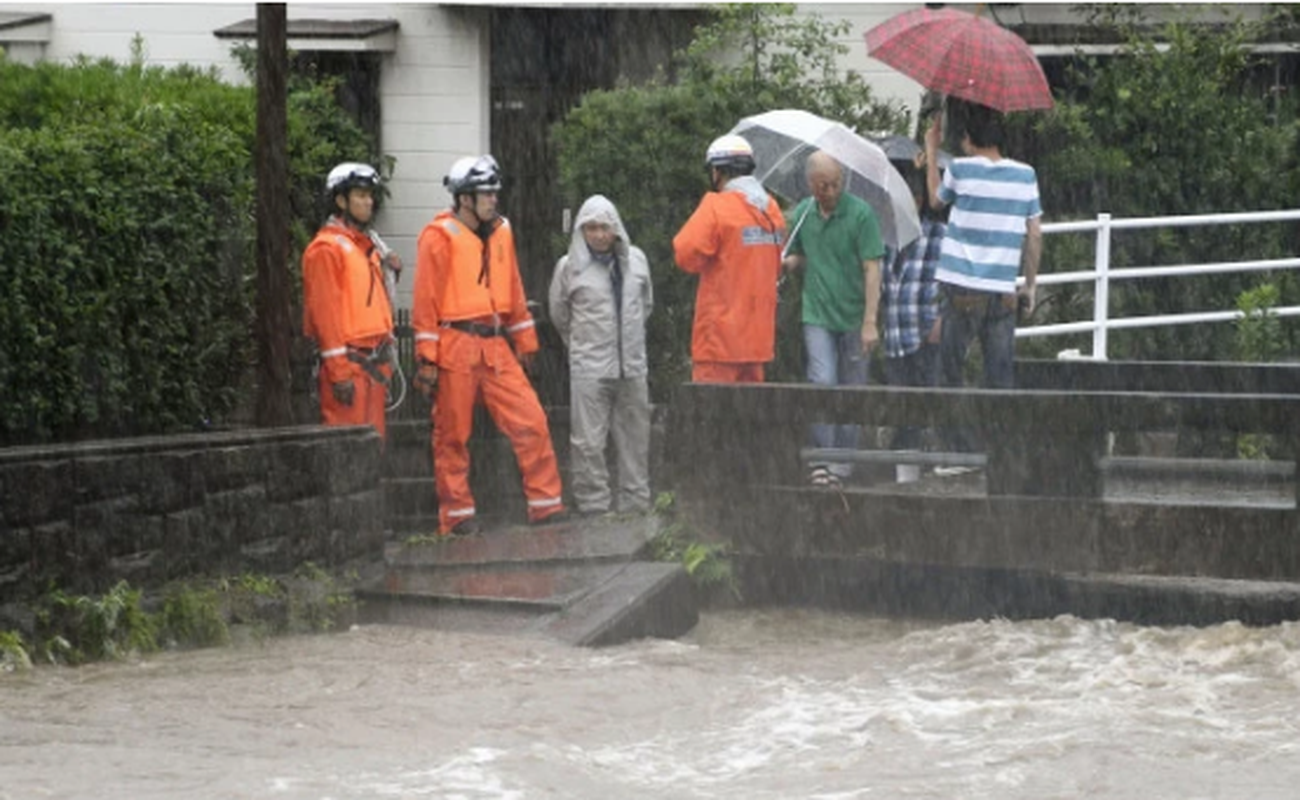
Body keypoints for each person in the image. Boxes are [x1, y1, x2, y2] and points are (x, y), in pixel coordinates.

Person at [412, 154, 567, 536]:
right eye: (486, 193)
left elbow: (513, 290)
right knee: (452, 435)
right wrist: (426, 360)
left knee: (531, 421)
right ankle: (458, 515)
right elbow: (425, 301)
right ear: (464, 198)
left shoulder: (502, 232)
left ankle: (546, 506)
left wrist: (525, 342)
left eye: (495, 193)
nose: (494, 199)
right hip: (455, 346)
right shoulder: (438, 236)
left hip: (496, 348)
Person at [925, 101, 1042, 464]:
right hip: (1003, 291)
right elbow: (1034, 234)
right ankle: (1000, 454)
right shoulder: (1025, 175)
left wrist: (931, 152)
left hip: (962, 287)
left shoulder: (961, 168)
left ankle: (959, 452)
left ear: (969, 138)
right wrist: (1030, 285)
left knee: (950, 372)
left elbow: (934, 201)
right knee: (999, 377)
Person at [780, 151, 886, 488]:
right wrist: (787, 264)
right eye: (824, 185)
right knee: (822, 380)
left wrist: (870, 321)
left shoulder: (860, 214)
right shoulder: (803, 214)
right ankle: (823, 460)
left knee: (853, 388)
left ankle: (844, 462)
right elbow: (798, 253)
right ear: (811, 185)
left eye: (836, 183)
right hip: (818, 313)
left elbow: (873, 268)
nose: (831, 190)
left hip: (854, 314)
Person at [548, 195, 654, 516]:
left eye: (604, 227)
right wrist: (581, 344)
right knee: (588, 442)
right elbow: (559, 313)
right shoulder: (569, 266)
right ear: (581, 230)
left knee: (636, 438)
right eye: (590, 227)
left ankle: (635, 502)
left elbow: (645, 305)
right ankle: (594, 505)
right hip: (589, 368)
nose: (598, 234)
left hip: (632, 366)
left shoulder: (636, 260)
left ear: (615, 228)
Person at [672, 134, 786, 384]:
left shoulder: (716, 206)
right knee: (750, 420)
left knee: (711, 420)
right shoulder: (771, 209)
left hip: (719, 340)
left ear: (716, 171)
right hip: (757, 340)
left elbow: (685, 255)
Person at [301, 162, 396, 440]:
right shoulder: (325, 250)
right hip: (349, 368)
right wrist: (339, 373)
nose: (369, 202)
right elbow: (325, 317)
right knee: (346, 449)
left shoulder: (366, 248)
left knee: (372, 448)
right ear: (341, 200)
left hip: (372, 365)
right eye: (361, 195)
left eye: (370, 195)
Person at [880, 152, 946, 480]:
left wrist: (941, 319)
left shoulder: (938, 234)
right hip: (894, 334)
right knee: (902, 407)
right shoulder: (887, 239)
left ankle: (936, 468)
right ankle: (906, 476)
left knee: (929, 403)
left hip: (924, 331)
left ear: (919, 200)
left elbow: (952, 280)